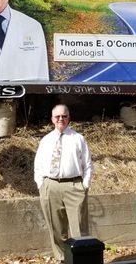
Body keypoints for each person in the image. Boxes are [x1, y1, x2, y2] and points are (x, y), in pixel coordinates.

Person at [34, 104, 93, 262]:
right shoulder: (46, 140)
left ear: (69, 118)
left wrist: (84, 186)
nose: (61, 119)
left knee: (79, 228)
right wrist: (41, 184)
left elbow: (87, 165)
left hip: (74, 186)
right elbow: (38, 165)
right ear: (52, 119)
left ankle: (79, 259)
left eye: (64, 116)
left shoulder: (78, 139)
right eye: (57, 116)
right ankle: (61, 259)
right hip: (50, 186)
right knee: (56, 229)